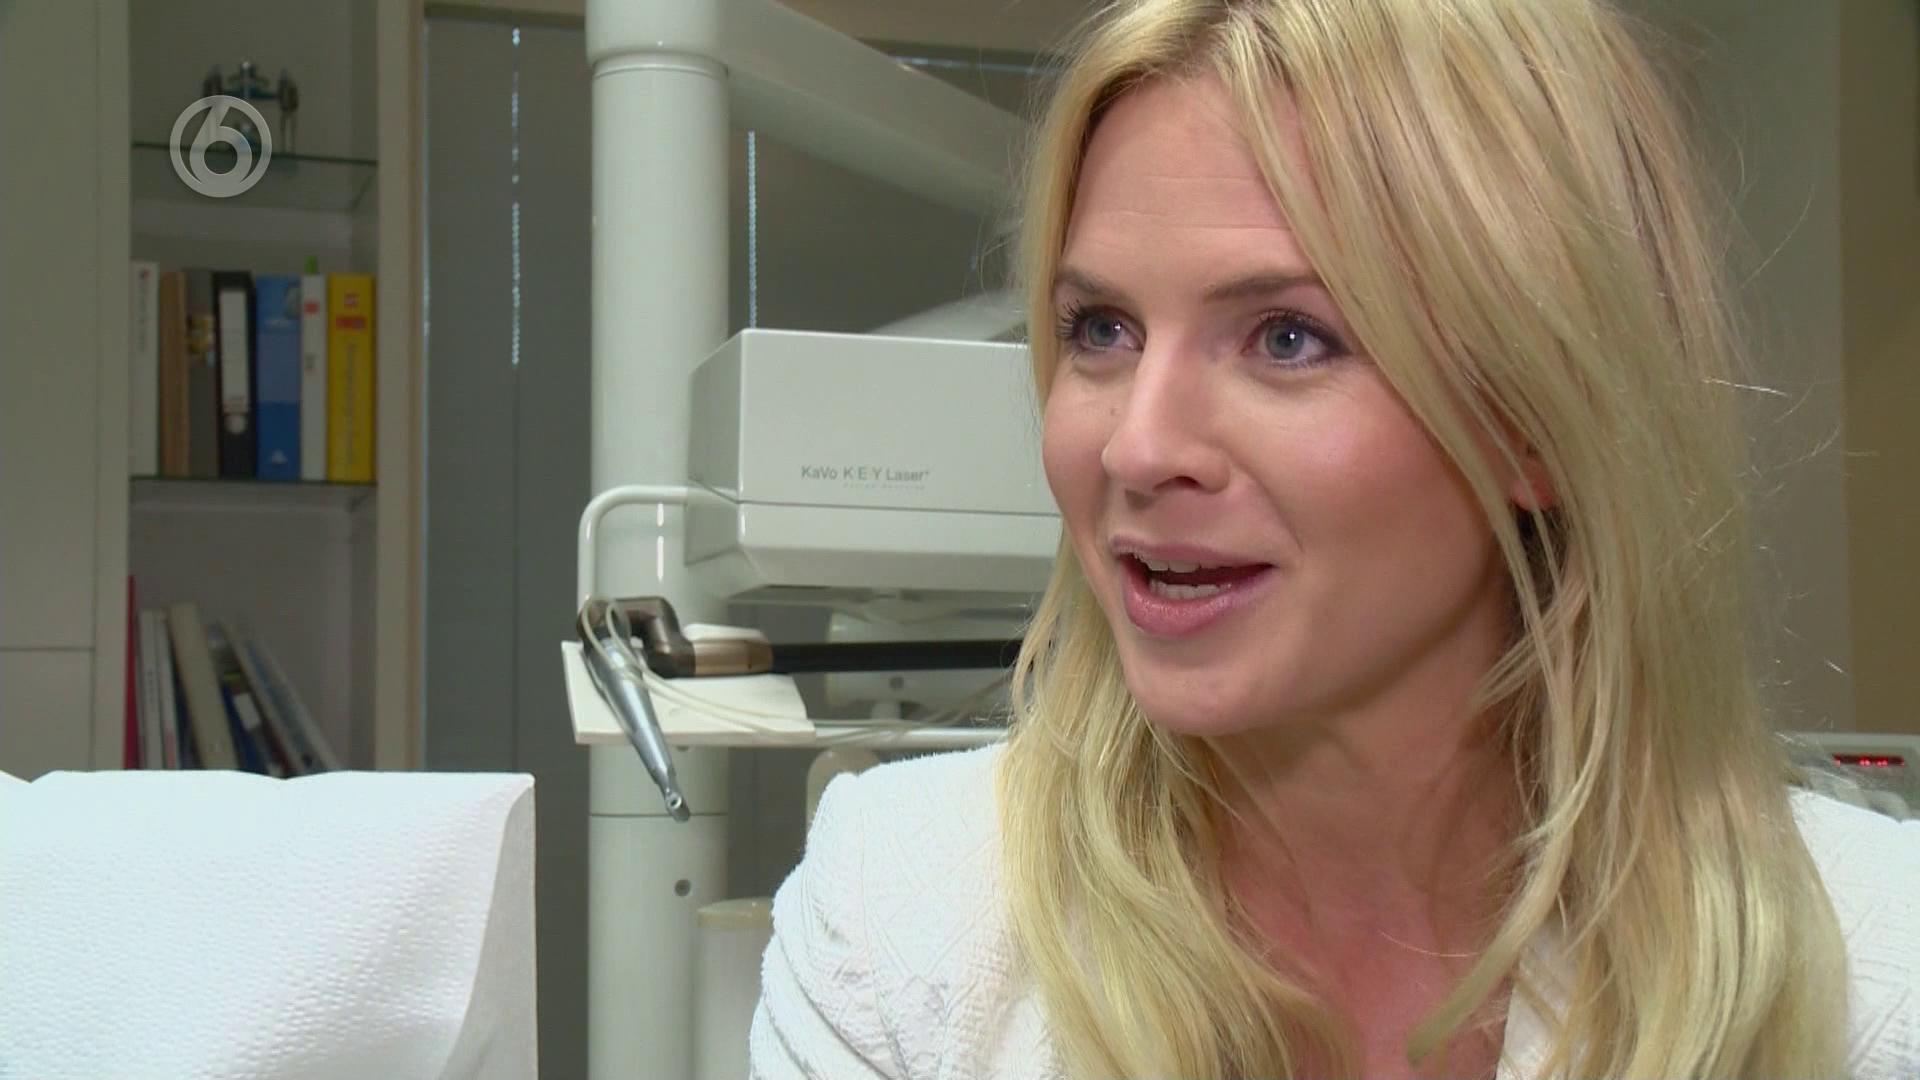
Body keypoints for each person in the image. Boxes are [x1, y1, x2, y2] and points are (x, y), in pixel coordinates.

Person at [748, 0, 1920, 1076]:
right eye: (1101, 328)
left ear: (1539, 419)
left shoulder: (1874, 971)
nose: (1137, 448)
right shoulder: (905, 918)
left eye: (1287, 338)